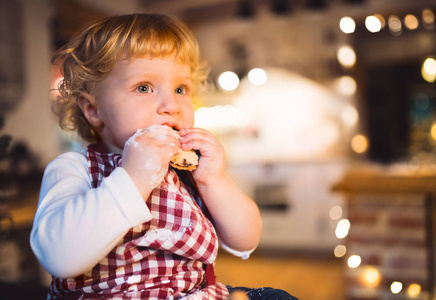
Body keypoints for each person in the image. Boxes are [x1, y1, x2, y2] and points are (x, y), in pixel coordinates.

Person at [30, 13, 298, 299]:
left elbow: (246, 242)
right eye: (143, 87)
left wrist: (213, 180)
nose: (172, 105)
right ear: (93, 110)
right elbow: (59, 258)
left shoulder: (186, 171)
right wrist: (133, 177)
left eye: (181, 89)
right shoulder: (75, 168)